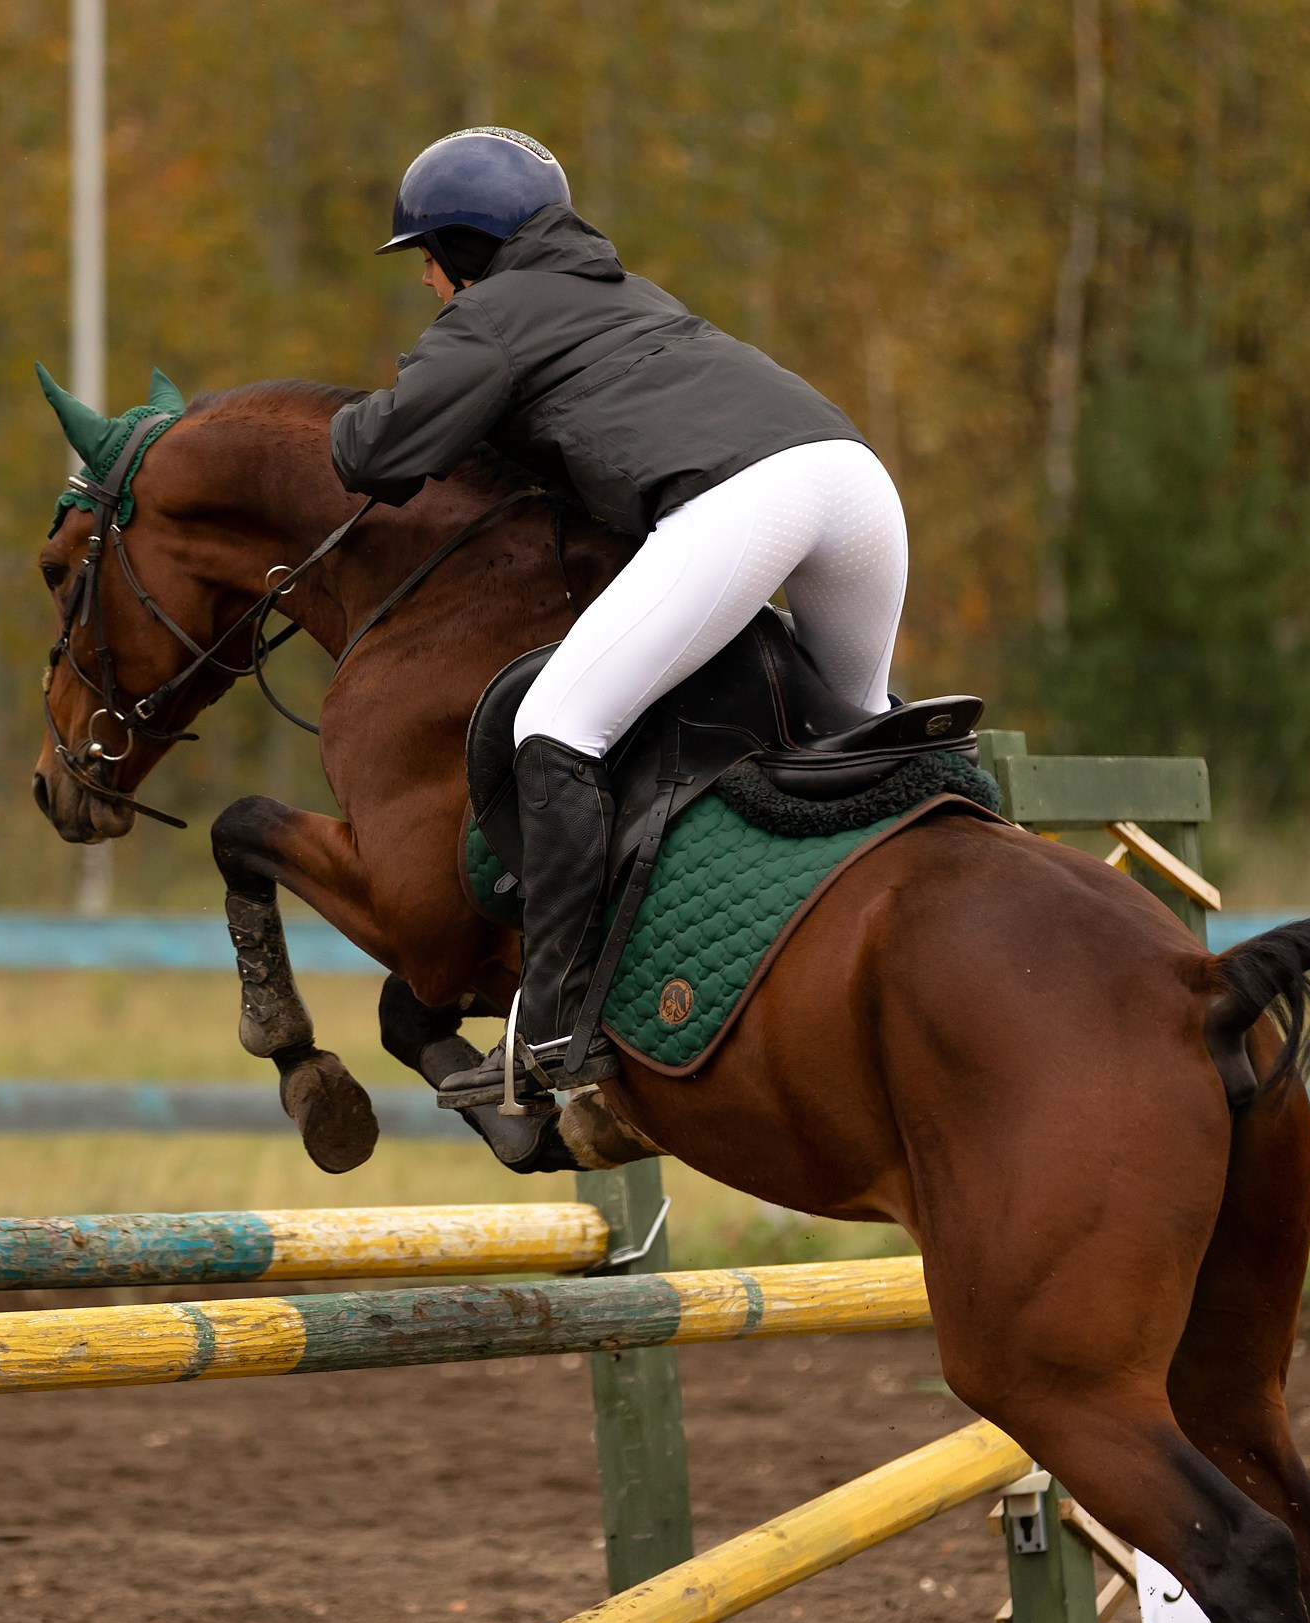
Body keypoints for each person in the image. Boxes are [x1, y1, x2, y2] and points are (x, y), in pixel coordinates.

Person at [330, 126, 909, 1109]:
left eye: (428, 259)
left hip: (750, 500)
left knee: (555, 727)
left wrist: (345, 412)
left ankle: (551, 1029)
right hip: (853, 484)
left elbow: (374, 457)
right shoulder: (627, 296)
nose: (426, 282)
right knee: (855, 740)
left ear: (465, 249)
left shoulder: (492, 314)